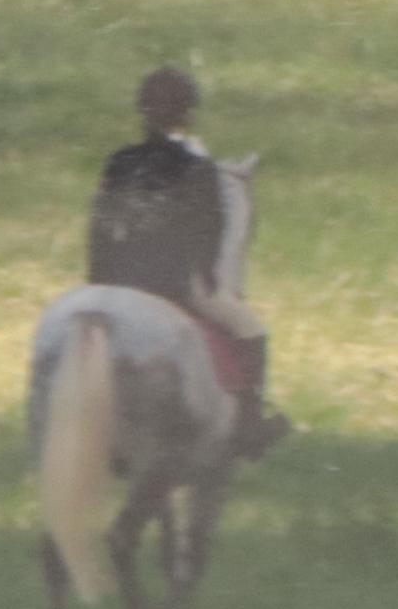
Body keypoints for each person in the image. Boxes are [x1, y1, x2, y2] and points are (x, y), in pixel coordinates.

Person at [86, 65, 290, 460]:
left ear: (141, 110)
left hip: (114, 281)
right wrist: (208, 283)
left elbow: (99, 224)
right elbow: (209, 235)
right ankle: (249, 424)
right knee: (252, 330)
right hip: (174, 282)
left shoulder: (120, 161)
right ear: (189, 114)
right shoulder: (200, 170)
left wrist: (97, 279)